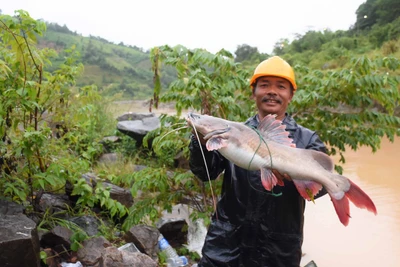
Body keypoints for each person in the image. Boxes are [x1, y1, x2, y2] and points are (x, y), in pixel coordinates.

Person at [188, 56, 327, 267]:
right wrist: (199, 138)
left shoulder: (307, 140)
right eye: (264, 85)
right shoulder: (233, 132)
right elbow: (204, 171)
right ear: (253, 92)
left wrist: (294, 176)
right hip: (226, 245)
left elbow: (322, 188)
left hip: (278, 249)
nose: (272, 91)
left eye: (281, 86)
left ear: (291, 95)